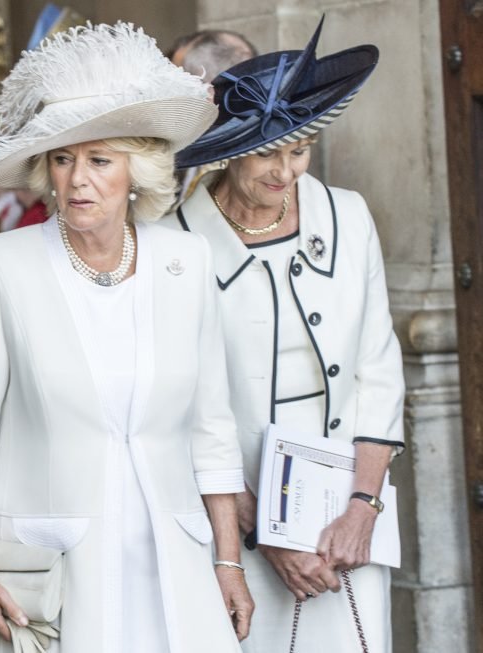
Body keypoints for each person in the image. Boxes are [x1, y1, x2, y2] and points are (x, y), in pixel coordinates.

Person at [0, 22, 252, 652]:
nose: (77, 179)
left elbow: (212, 430)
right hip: (53, 572)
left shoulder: (185, 262)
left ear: (136, 171)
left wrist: (228, 561)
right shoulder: (4, 265)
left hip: (175, 562)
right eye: (62, 159)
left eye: (99, 160)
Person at [163, 19, 402, 653]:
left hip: (346, 521)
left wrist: (362, 509)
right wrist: (265, 532)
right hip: (234, 531)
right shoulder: (176, 244)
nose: (285, 171)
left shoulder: (348, 216)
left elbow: (379, 369)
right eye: (267, 152)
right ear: (228, 149)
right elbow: (179, 406)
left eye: (300, 150)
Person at [174, 29, 258, 203]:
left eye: (176, 82)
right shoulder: (187, 142)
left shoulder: (255, 158)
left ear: (209, 90)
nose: (171, 95)